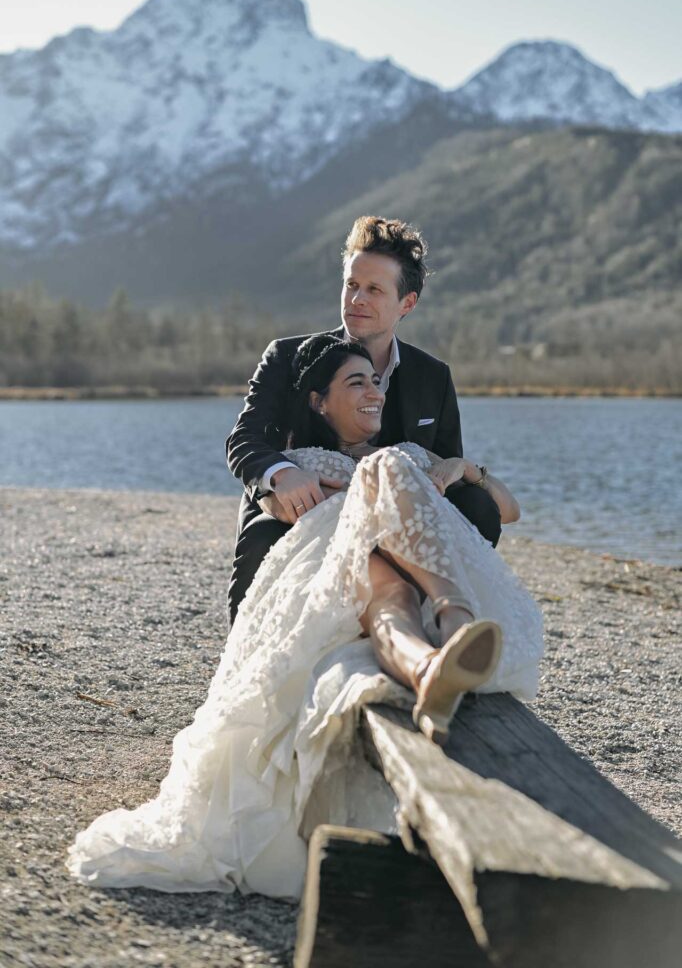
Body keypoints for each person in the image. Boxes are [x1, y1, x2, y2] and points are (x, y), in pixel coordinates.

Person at [67, 337, 543, 901]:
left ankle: (438, 650)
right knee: (387, 593)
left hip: (394, 567)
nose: (374, 391)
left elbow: (508, 509)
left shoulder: (412, 455)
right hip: (341, 566)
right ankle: (442, 643)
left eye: (376, 381)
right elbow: (273, 502)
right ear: (319, 403)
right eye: (356, 383)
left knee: (393, 580)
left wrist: (463, 468)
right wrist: (328, 483)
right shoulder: (304, 464)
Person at [226, 215, 502, 626]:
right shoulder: (286, 357)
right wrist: (282, 475)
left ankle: (444, 622)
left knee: (479, 507)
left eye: (374, 290)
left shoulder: (433, 377)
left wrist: (464, 475)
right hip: (305, 512)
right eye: (351, 285)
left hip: (397, 524)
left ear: (406, 304)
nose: (357, 299)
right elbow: (244, 440)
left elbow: (445, 466)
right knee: (265, 532)